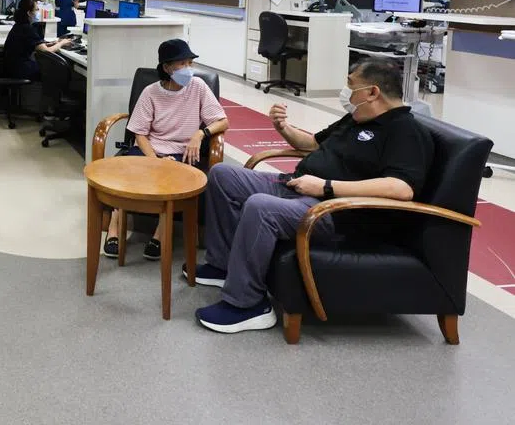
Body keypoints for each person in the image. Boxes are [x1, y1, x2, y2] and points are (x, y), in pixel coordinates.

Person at [191, 58, 433, 335]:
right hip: (298, 186)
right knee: (223, 175)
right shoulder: (356, 117)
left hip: (336, 211)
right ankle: (223, 266)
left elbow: (401, 188)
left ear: (373, 92)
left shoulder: (406, 131)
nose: (346, 93)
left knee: (261, 207)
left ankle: (249, 306)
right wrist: (284, 128)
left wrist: (326, 186)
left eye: (350, 85)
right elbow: (313, 144)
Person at [104, 39, 228, 260]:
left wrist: (200, 134)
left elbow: (221, 121)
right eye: (183, 63)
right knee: (125, 175)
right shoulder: (151, 92)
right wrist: (156, 161)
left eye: (191, 62)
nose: (189, 68)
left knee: (173, 180)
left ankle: (160, 234)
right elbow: (139, 133)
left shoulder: (198, 87)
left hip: (184, 151)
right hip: (150, 149)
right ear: (167, 67)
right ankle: (115, 226)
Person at [2, 0, 73, 81]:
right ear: (29, 13)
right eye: (36, 10)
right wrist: (61, 43)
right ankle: (56, 93)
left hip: (12, 67)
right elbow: (46, 51)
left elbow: (33, 44)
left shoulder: (19, 25)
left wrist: (53, 43)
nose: (37, 12)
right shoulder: (28, 29)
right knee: (56, 68)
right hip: (20, 69)